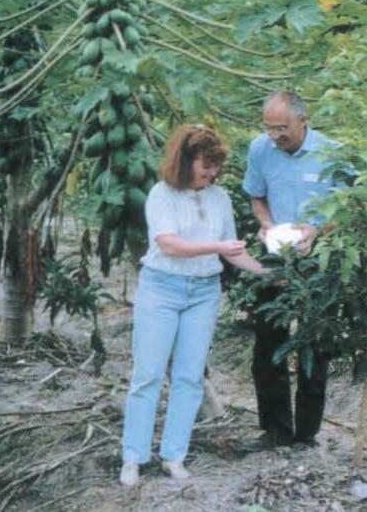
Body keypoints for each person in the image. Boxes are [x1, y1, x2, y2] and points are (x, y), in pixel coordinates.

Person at [120, 124, 267, 488]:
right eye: (206, 165)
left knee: (189, 377)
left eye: (216, 166)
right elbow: (169, 245)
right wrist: (218, 248)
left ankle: (174, 455)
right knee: (148, 375)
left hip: (203, 292)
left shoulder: (220, 198)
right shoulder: (161, 194)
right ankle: (133, 458)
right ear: (184, 161)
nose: (212, 173)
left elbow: (233, 249)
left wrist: (268, 272)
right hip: (162, 288)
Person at [242, 90, 339, 450]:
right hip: (276, 257)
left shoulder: (332, 153)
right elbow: (256, 196)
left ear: (303, 120)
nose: (274, 136)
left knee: (315, 345)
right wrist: (265, 223)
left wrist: (318, 231)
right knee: (268, 344)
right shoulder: (260, 149)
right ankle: (275, 429)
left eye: (281, 128)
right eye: (269, 129)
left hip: (320, 260)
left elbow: (346, 209)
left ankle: (306, 434)